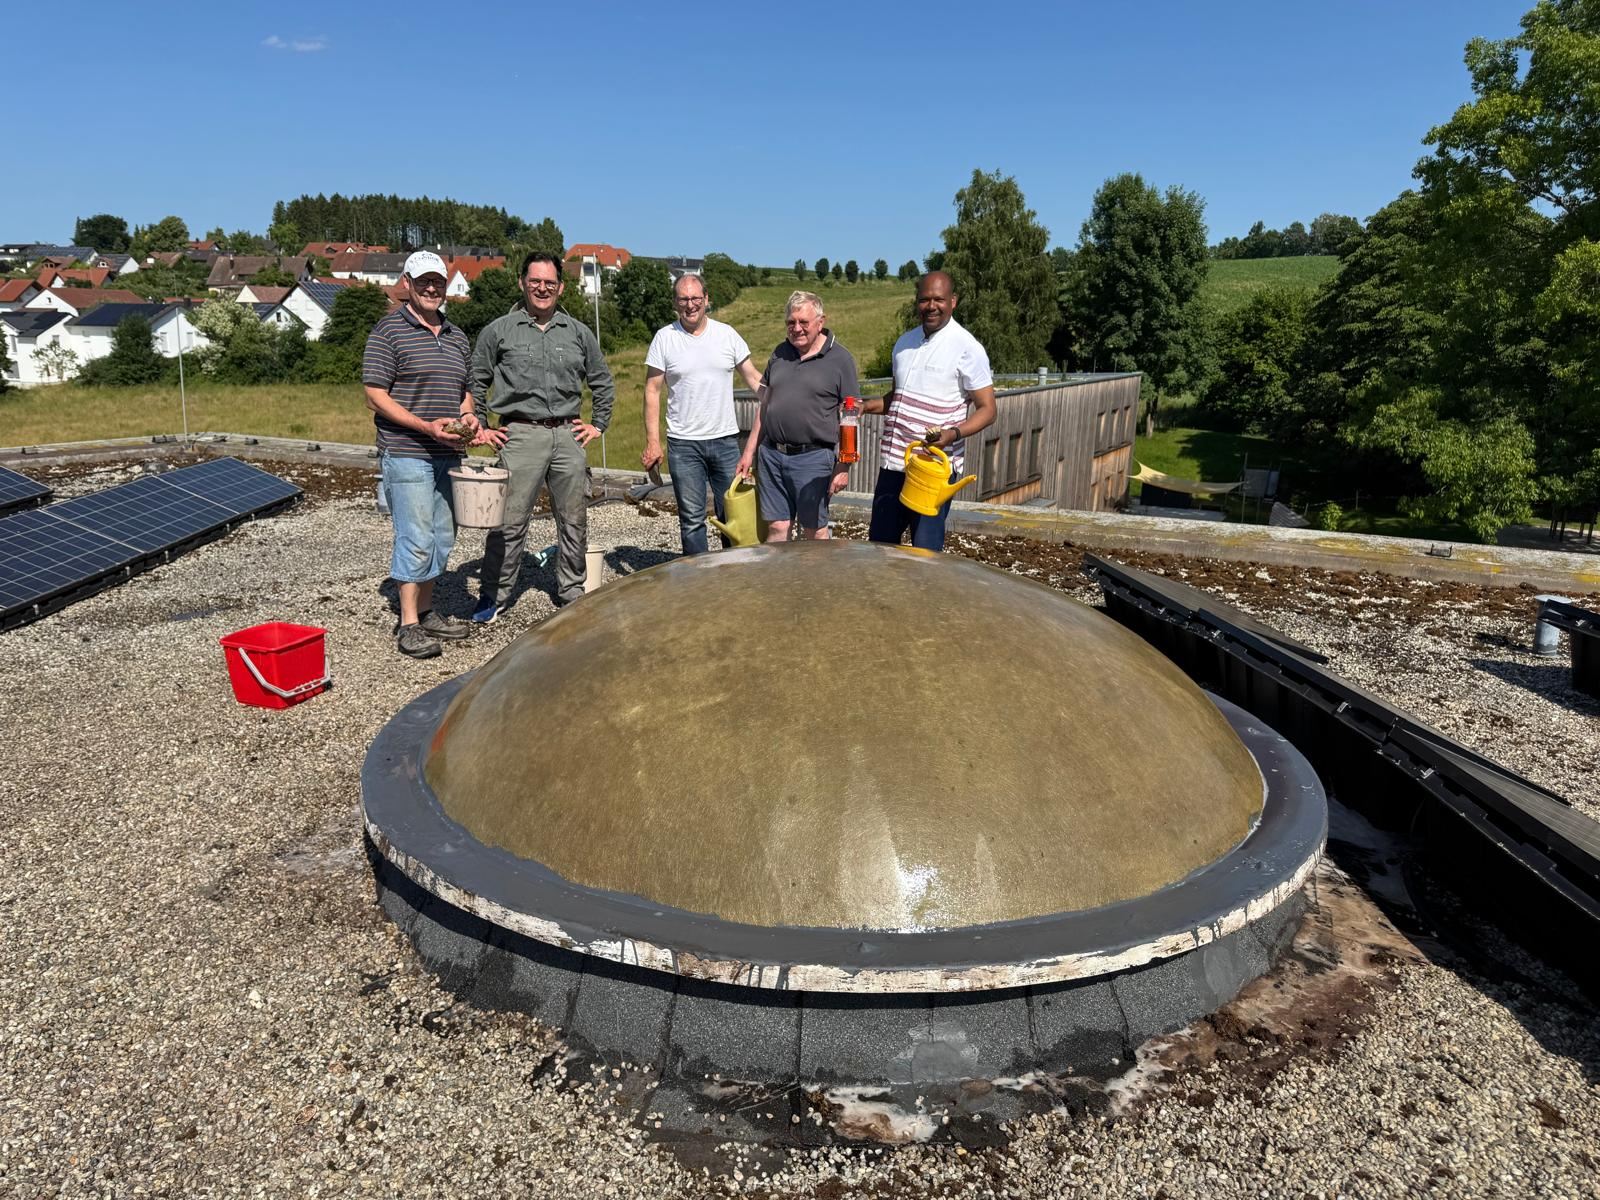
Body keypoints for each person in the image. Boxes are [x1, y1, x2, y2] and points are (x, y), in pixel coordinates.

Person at [470, 251, 614, 619]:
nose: (542, 288)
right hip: (520, 435)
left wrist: (598, 424)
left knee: (574, 518)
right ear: (522, 282)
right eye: (535, 281)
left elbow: (601, 380)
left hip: (568, 435)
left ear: (561, 287)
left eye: (550, 282)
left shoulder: (578, 332)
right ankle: (495, 595)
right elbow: (475, 380)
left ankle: (570, 589)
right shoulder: (499, 330)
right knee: (509, 520)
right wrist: (482, 427)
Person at [362, 250, 479, 659]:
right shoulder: (389, 331)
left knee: (443, 535)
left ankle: (428, 611)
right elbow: (374, 394)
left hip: (448, 450)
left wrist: (469, 416)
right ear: (407, 284)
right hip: (407, 449)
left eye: (438, 282)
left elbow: (465, 389)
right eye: (423, 281)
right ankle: (408, 623)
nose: (432, 288)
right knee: (415, 536)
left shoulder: (457, 336)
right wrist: (423, 426)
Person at [862, 271, 997, 552]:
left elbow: (988, 409)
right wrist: (866, 406)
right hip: (893, 464)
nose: (931, 306)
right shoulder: (904, 343)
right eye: (925, 299)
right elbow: (897, 398)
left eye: (939, 299)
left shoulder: (967, 348)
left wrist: (953, 433)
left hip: (931, 470)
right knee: (879, 547)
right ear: (917, 302)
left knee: (925, 553)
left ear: (953, 301)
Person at [642, 273, 766, 554]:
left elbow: (754, 378)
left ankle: (733, 576)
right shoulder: (664, 338)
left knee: (733, 516)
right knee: (691, 521)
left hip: (725, 442)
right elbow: (652, 391)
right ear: (675, 302)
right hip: (683, 445)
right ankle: (697, 584)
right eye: (684, 299)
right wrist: (653, 441)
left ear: (706, 299)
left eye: (696, 298)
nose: (690, 305)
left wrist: (784, 394)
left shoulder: (727, 335)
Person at [736, 291, 857, 542]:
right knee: (778, 527)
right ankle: (778, 581)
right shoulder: (780, 352)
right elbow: (766, 403)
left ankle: (817, 582)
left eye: (804, 322)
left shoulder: (840, 359)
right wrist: (749, 453)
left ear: (820, 322)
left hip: (813, 458)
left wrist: (843, 465)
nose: (797, 328)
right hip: (771, 456)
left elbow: (850, 417)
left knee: (814, 530)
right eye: (791, 322)